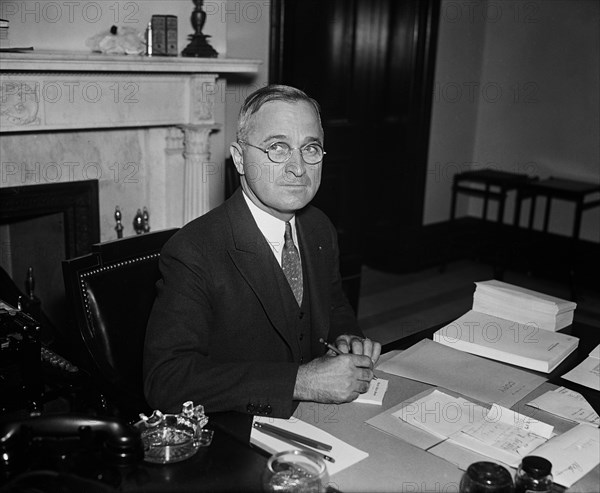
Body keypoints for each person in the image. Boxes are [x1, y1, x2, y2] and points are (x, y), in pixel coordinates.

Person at [143, 84, 381, 418]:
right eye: (278, 148)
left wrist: (346, 338)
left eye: (310, 149)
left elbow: (334, 302)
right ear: (240, 158)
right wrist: (301, 382)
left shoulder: (318, 227)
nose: (298, 168)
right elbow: (166, 383)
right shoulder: (193, 251)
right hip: (236, 433)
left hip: (319, 419)